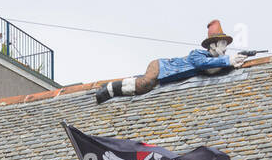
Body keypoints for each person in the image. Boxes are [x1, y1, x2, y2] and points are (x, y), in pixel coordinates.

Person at [94, 20, 251, 103]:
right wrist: (228, 60)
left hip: (163, 73)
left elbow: (212, 69)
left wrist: (234, 61)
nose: (225, 48)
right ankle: (109, 89)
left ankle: (114, 86)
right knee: (144, 85)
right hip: (161, 66)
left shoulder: (213, 61)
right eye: (223, 44)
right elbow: (204, 65)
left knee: (143, 82)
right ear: (214, 44)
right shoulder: (197, 54)